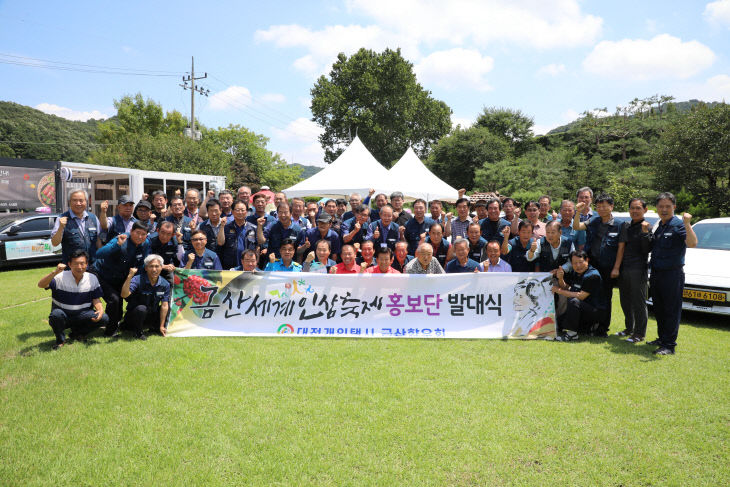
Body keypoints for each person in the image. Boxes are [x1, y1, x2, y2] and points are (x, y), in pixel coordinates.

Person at [648, 192, 697, 355]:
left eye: (667, 206)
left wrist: (688, 223)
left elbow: (692, 243)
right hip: (656, 273)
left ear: (674, 207)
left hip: (672, 274)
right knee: (659, 308)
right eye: (661, 206)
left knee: (671, 309)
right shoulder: (660, 225)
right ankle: (662, 338)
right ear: (657, 208)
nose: (664, 209)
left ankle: (669, 345)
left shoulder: (678, 224)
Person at [573, 193, 628, 336]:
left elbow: (621, 248)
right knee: (590, 294)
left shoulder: (620, 224)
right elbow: (577, 226)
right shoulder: (595, 220)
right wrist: (578, 211)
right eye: (599, 206)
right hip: (592, 265)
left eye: (605, 206)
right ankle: (590, 325)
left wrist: (616, 267)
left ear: (612, 206)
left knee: (606, 297)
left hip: (608, 267)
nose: (602, 209)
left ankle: (603, 328)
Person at [37, 250, 108, 349]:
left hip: (82, 314)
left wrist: (100, 310)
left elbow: (96, 298)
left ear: (87, 264)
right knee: (56, 315)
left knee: (104, 318)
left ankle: (78, 333)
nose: (79, 267)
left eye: (82, 263)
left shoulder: (92, 278)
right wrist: (55, 272)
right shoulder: (60, 276)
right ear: (69, 264)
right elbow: (41, 285)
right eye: (76, 264)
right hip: (63, 314)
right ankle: (60, 340)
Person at [91, 221, 151, 336]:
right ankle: (110, 331)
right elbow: (99, 254)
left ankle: (128, 325)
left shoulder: (146, 243)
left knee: (135, 297)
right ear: (131, 231)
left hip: (123, 276)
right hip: (102, 274)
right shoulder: (121, 239)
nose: (140, 236)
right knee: (114, 300)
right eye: (137, 233)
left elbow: (144, 262)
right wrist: (117, 245)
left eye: (143, 234)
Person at [617, 198, 653, 343]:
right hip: (624, 268)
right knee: (625, 301)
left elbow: (647, 249)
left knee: (639, 302)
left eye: (638, 208)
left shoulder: (647, 227)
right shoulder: (627, 226)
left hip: (638, 269)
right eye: (632, 208)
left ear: (645, 210)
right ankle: (629, 328)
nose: (635, 211)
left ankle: (639, 333)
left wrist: (645, 233)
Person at [552, 250, 605, 341]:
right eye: (575, 263)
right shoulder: (575, 273)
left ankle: (573, 334)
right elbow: (567, 288)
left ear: (587, 260)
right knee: (559, 323)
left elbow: (581, 296)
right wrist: (560, 278)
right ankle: (580, 329)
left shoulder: (593, 275)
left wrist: (559, 291)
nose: (578, 266)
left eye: (581, 262)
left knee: (574, 301)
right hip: (580, 309)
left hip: (594, 312)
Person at [121, 254, 170, 340]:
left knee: (168, 307)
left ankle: (156, 327)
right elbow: (124, 295)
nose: (154, 269)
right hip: (135, 315)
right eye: (151, 266)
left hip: (151, 314)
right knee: (141, 309)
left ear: (161, 267)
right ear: (146, 268)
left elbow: (164, 305)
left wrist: (162, 326)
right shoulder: (137, 279)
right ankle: (138, 333)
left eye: (157, 266)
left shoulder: (165, 284)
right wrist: (129, 276)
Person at [52, 189, 103, 264]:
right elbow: (55, 243)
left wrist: (101, 260)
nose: (78, 203)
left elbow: (98, 241)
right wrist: (61, 228)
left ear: (86, 201)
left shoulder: (93, 218)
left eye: (81, 200)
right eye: (75, 200)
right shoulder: (61, 218)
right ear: (69, 202)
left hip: (93, 266)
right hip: (73, 268)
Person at [218, 200, 257, 270]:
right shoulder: (226, 227)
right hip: (230, 267)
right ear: (232, 212)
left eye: (242, 210)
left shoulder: (253, 228)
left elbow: (258, 247)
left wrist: (255, 265)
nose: (240, 212)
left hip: (249, 267)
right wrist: (222, 226)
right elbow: (220, 243)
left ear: (247, 212)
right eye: (237, 210)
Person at [147, 221, 180, 286]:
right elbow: (146, 259)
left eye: (168, 234)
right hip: (151, 268)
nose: (164, 236)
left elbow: (176, 259)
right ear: (158, 231)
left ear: (173, 235)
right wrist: (162, 266)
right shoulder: (150, 240)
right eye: (162, 232)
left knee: (174, 283)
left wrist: (172, 267)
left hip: (167, 269)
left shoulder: (174, 242)